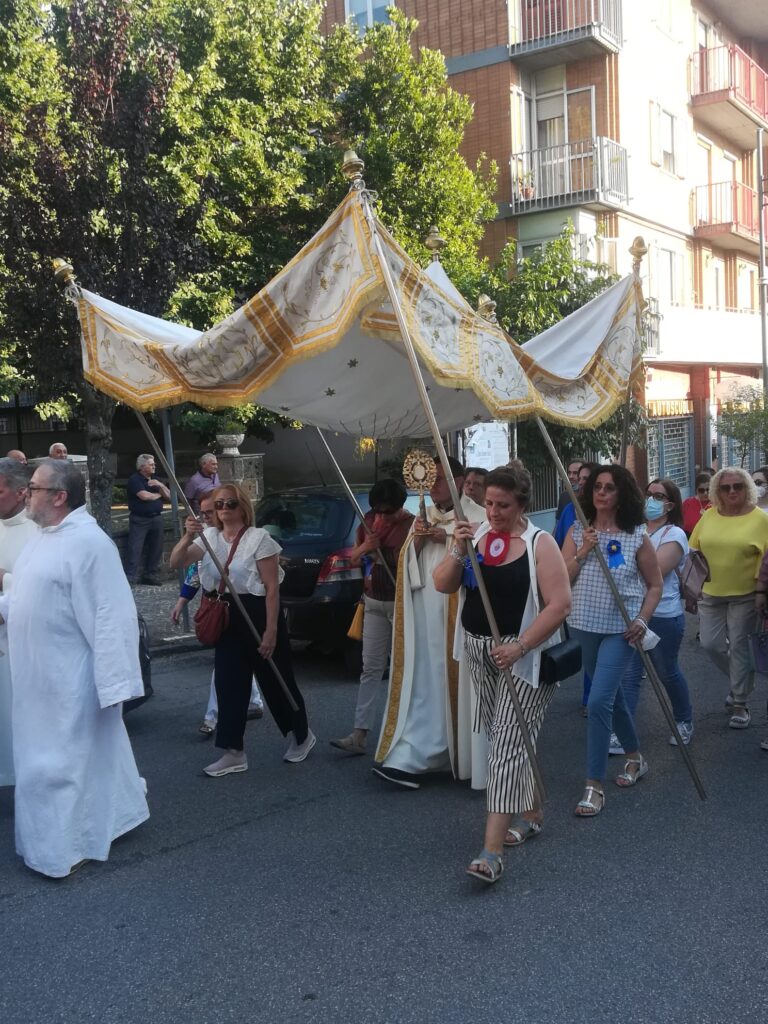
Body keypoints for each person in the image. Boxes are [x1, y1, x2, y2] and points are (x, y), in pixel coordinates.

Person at [0, 459, 148, 877]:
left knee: (62, 765)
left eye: (34, 488)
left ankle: (69, 845)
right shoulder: (43, 538)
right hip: (35, 679)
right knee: (52, 760)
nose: (26, 493)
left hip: (71, 680)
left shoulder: (91, 544)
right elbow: (27, 595)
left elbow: (111, 617)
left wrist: (115, 684)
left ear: (60, 497)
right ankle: (108, 819)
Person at [433, 464, 571, 884]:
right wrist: (457, 549)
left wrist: (521, 645)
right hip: (479, 653)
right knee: (503, 737)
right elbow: (442, 585)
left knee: (506, 750)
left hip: (525, 659)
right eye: (489, 503)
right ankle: (530, 813)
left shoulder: (539, 543)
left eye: (503, 505)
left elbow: (559, 604)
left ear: (522, 505)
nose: (493, 512)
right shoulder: (474, 534)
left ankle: (491, 853)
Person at [170, 483, 314, 775]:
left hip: (257, 613)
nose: (223, 510)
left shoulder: (259, 539)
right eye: (219, 505)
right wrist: (187, 536)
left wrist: (271, 631)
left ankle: (301, 735)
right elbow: (177, 562)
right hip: (224, 615)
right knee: (228, 685)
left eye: (230, 504)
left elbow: (272, 588)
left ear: (243, 507)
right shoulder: (208, 537)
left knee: (276, 682)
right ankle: (233, 751)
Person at [373, 456, 487, 789]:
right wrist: (419, 541)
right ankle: (418, 746)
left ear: (460, 478)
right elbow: (405, 561)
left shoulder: (478, 515)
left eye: (438, 479)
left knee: (454, 677)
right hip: (424, 610)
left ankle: (457, 751)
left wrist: (450, 540)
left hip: (458, 611)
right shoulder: (422, 515)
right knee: (424, 677)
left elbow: (486, 560)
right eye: (428, 481)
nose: (432, 486)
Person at [562, 464, 663, 817]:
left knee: (600, 700)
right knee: (614, 699)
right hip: (584, 625)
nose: (601, 493)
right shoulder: (578, 531)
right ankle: (635, 757)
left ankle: (593, 786)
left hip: (622, 629)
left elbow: (655, 585)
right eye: (596, 487)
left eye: (609, 487)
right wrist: (583, 550)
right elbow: (562, 579)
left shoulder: (637, 535)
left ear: (622, 494)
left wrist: (641, 619)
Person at [330, 479, 414, 755]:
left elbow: (410, 562)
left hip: (402, 603)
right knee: (370, 669)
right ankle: (359, 733)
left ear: (400, 508)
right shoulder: (367, 521)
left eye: (388, 512)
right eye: (378, 510)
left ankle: (405, 734)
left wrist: (382, 552)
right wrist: (368, 546)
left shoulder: (411, 526)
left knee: (405, 670)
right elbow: (353, 559)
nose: (382, 516)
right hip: (373, 601)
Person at [169, 493, 263, 734]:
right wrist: (181, 601)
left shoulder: (244, 539)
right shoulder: (206, 537)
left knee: (224, 668)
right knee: (238, 662)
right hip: (217, 610)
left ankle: (213, 716)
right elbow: (192, 571)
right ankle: (254, 701)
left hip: (242, 610)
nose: (207, 517)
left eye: (211, 511)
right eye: (205, 512)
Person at [690, 467, 768, 729]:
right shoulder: (709, 515)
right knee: (711, 644)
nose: (732, 491)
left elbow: (766, 558)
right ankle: (742, 681)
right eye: (725, 487)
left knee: (739, 645)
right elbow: (694, 547)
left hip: (746, 595)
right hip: (710, 593)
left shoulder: (761, 519)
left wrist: (761, 592)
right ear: (717, 491)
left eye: (738, 486)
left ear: (747, 488)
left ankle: (739, 702)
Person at [619, 479, 694, 747]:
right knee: (628, 676)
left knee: (667, 672)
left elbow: (655, 571)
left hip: (662, 616)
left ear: (670, 504)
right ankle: (623, 733)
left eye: (658, 496)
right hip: (629, 613)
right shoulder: (634, 530)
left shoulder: (674, 535)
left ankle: (684, 720)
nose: (650, 500)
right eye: (648, 494)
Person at [0, 458, 38, 787]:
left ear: (20, 492)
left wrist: (6, 581)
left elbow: (44, 583)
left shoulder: (40, 528)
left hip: (25, 644)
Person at [124, 454, 170, 586]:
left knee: (156, 548)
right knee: (135, 548)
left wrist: (160, 484)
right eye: (151, 464)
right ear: (142, 467)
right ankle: (130, 577)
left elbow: (169, 495)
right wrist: (158, 494)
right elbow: (144, 496)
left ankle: (151, 574)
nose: (154, 466)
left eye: (154, 464)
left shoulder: (156, 480)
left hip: (156, 518)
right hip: (140, 519)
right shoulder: (135, 480)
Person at [554, 461, 595, 549]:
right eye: (569, 473)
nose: (571, 476)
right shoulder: (565, 499)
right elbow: (557, 529)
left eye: (575, 473)